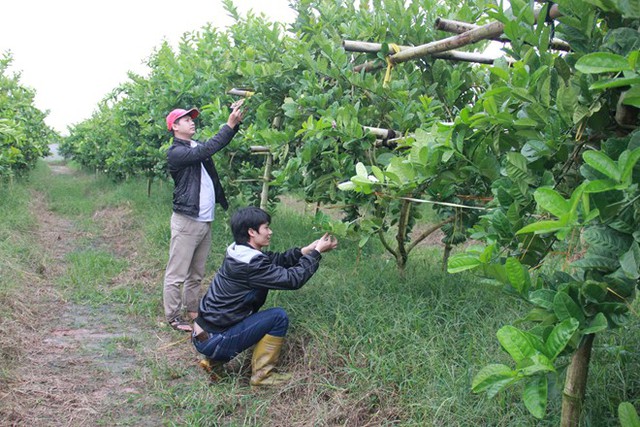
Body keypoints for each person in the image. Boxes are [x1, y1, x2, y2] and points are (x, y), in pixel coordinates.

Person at [192, 206, 338, 386]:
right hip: (216, 341)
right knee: (278, 317)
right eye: (266, 227)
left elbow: (274, 261)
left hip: (204, 334)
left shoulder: (238, 252)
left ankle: (214, 362)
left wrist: (306, 250)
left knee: (250, 317)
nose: (270, 232)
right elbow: (293, 280)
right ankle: (263, 376)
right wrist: (316, 254)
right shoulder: (250, 264)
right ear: (252, 232)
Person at [163, 100, 244, 332]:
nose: (192, 122)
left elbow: (213, 145)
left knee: (196, 272)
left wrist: (234, 122)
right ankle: (173, 316)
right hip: (187, 221)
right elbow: (209, 149)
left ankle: (191, 308)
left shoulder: (194, 146)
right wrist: (228, 125)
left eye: (192, 119)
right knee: (177, 273)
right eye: (187, 120)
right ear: (175, 127)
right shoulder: (177, 152)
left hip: (203, 220)